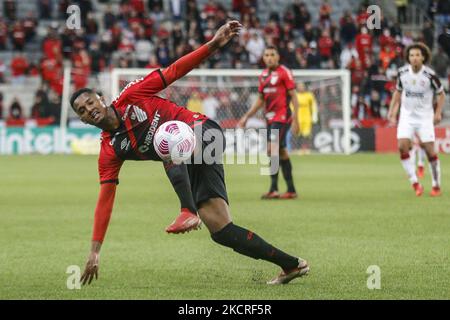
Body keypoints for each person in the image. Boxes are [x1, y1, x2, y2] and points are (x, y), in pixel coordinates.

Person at [71, 21, 309, 286]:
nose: (88, 109)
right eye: (81, 110)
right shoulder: (109, 151)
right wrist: (94, 250)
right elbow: (105, 200)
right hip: (191, 153)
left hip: (204, 131)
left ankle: (187, 209)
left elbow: (174, 70)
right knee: (221, 230)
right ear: (83, 121)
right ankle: (291, 265)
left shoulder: (132, 95)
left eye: (90, 101)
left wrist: (215, 44)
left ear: (101, 99)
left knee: (166, 138)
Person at [238, 46, 300, 199]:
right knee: (281, 151)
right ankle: (291, 190)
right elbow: (260, 100)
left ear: (278, 56)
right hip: (270, 118)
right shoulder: (264, 75)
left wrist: (296, 120)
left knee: (271, 150)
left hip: (283, 117)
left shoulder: (284, 72)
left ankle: (273, 189)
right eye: (267, 55)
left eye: (272, 54)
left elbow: (294, 96)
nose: (270, 58)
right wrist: (246, 116)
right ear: (263, 58)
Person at [388, 43, 445, 196]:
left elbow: (441, 94)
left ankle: (436, 184)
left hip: (425, 118)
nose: (414, 58)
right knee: (402, 147)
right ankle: (415, 183)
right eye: (411, 55)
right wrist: (392, 111)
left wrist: (438, 113)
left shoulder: (430, 75)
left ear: (423, 57)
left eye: (417, 55)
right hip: (406, 116)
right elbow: (398, 92)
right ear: (408, 57)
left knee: (430, 151)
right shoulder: (402, 73)